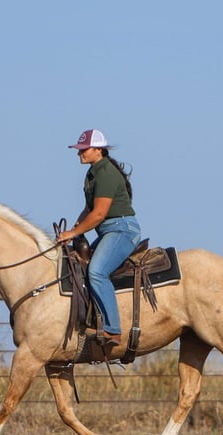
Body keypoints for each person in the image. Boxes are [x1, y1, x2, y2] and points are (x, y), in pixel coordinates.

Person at [57, 129, 142, 347]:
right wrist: (75, 228)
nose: (79, 154)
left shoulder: (105, 174)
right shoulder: (94, 173)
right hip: (108, 230)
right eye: (79, 150)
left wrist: (74, 233)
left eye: (83, 150)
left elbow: (99, 214)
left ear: (98, 150)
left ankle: (113, 330)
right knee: (80, 265)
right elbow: (89, 209)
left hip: (122, 229)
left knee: (97, 271)